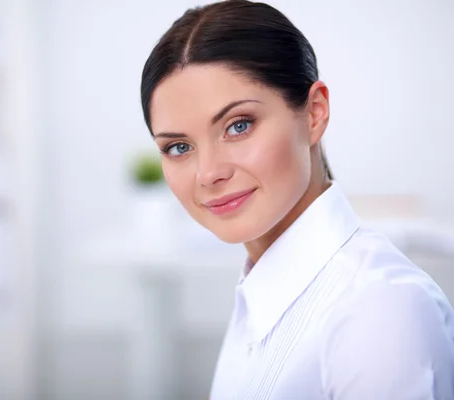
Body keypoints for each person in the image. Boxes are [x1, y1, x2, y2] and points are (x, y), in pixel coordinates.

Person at [139, 1, 454, 399]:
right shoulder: (261, 294)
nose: (208, 173)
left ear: (314, 113)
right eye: (180, 147)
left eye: (238, 126)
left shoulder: (378, 310)